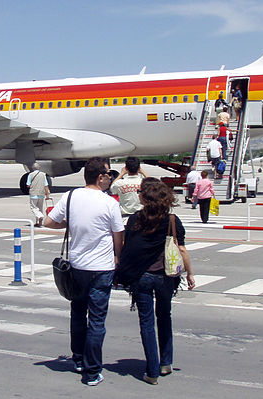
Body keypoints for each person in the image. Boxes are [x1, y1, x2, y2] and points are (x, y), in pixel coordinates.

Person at [44, 157, 125, 386]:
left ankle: (78, 359)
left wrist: (70, 224)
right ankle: (92, 371)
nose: (110, 178)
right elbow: (118, 235)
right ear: (100, 177)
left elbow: (49, 222)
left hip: (77, 267)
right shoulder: (109, 203)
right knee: (97, 321)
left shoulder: (70, 196)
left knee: (78, 314)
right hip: (101, 269)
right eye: (109, 174)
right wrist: (119, 258)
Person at [118, 178, 195, 384]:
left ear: (143, 199)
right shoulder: (172, 220)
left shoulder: (135, 219)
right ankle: (165, 363)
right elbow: (182, 249)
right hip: (165, 277)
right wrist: (189, 273)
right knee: (164, 316)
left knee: (146, 322)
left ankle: (151, 371)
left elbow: (128, 246)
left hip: (142, 276)